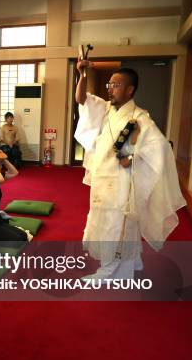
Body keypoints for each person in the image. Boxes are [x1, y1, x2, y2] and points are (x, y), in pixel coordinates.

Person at [74, 61, 185, 279]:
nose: (110, 89)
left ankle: (109, 271)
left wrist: (132, 157)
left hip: (121, 183)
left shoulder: (139, 117)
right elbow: (81, 99)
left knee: (115, 224)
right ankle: (132, 261)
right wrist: (82, 73)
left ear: (130, 89)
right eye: (110, 84)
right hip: (103, 177)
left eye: (116, 85)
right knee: (107, 220)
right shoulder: (107, 109)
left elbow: (160, 148)